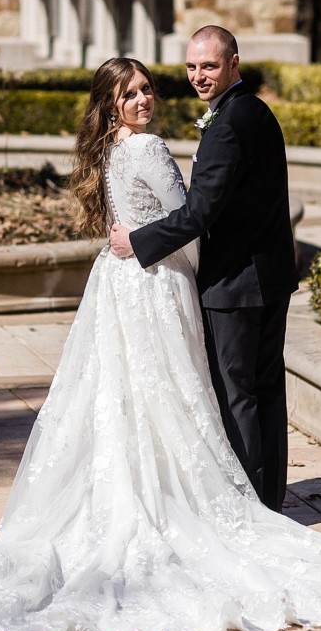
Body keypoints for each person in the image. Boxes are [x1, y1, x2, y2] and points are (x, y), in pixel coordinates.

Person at [0, 56, 321, 631]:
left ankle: (158, 489)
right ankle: (208, 498)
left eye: (147, 88)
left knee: (128, 393)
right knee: (176, 389)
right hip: (156, 281)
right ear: (112, 103)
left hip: (119, 280)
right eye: (130, 93)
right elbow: (192, 221)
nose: (144, 99)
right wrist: (197, 274)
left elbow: (149, 218)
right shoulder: (147, 149)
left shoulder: (110, 149)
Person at [109, 25, 296, 512]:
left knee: (239, 399)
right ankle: (271, 498)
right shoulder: (254, 111)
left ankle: (256, 507)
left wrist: (138, 241)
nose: (199, 76)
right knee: (264, 391)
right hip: (268, 276)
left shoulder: (229, 124)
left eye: (209, 66)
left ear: (234, 64)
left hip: (236, 284)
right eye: (192, 67)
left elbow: (198, 214)